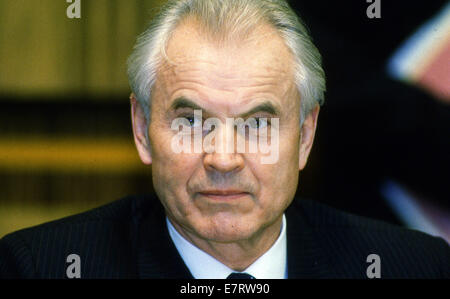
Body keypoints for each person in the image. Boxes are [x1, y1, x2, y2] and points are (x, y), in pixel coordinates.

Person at [0, 0, 448, 279]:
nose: (224, 158)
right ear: (141, 130)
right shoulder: (39, 267)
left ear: (306, 136)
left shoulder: (416, 267)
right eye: (192, 122)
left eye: (257, 125)